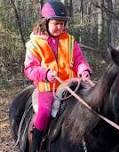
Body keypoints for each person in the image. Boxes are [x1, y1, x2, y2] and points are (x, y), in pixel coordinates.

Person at [24, 0, 91, 151]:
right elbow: (29, 69)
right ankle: (35, 146)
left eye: (63, 23)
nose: (60, 27)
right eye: (56, 23)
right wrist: (45, 74)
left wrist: (84, 70)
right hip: (49, 88)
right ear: (45, 22)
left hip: (72, 85)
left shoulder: (70, 41)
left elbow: (80, 60)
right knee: (44, 113)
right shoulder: (34, 44)